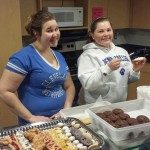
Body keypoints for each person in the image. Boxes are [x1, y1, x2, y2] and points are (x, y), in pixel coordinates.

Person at [0, 10, 75, 125]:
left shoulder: (59, 56)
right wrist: (30, 117)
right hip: (35, 124)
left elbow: (69, 86)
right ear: (36, 33)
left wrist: (66, 109)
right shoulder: (23, 57)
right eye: (49, 30)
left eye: (56, 29)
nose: (55, 34)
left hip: (60, 119)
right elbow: (4, 91)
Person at [77, 17, 146, 105]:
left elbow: (126, 80)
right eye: (101, 31)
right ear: (92, 34)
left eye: (108, 30)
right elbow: (89, 85)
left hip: (119, 104)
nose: (106, 34)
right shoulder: (87, 56)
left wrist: (135, 70)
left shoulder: (122, 51)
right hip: (95, 106)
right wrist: (108, 68)